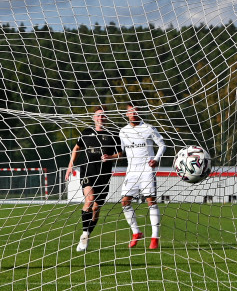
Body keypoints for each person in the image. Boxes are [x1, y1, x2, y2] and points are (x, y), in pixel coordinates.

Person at [66, 106, 121, 252]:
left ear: (106, 118)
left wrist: (111, 157)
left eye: (103, 116)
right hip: (87, 173)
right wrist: (70, 166)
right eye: (98, 116)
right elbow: (76, 149)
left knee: (96, 208)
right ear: (94, 118)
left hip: (104, 175)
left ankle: (88, 232)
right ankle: (84, 236)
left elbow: (121, 154)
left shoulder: (113, 135)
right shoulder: (86, 133)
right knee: (89, 200)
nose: (101, 118)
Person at [119, 102, 166, 250]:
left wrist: (156, 159)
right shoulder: (123, 131)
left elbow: (162, 145)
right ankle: (136, 232)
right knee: (125, 202)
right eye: (130, 111)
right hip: (131, 172)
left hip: (147, 170)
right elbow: (121, 152)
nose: (133, 113)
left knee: (151, 201)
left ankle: (155, 237)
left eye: (136, 111)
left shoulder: (148, 128)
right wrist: (109, 156)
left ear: (139, 113)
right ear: (127, 114)